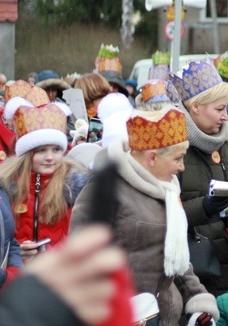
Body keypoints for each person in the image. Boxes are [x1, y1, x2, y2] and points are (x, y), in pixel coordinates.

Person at [70, 108, 220, 325]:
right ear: (152, 157)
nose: (182, 167)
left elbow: (175, 257)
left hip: (166, 316)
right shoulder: (106, 190)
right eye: (178, 158)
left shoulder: (168, 190)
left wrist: (197, 300)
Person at [171, 60, 228, 296]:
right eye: (219, 109)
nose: (225, 117)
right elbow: (163, 213)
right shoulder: (171, 146)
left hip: (220, 261)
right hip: (184, 265)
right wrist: (205, 206)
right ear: (196, 107)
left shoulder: (221, 144)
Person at [0, 104, 89, 262]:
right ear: (27, 154)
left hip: (60, 272)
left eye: (56, 150)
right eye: (41, 150)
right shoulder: (7, 185)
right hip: (18, 274)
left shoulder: (73, 186)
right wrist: (16, 252)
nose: (50, 157)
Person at [0, 224, 128, 325]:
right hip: (29, 286)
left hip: (44, 285)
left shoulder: (67, 195)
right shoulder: (12, 193)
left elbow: (10, 241)